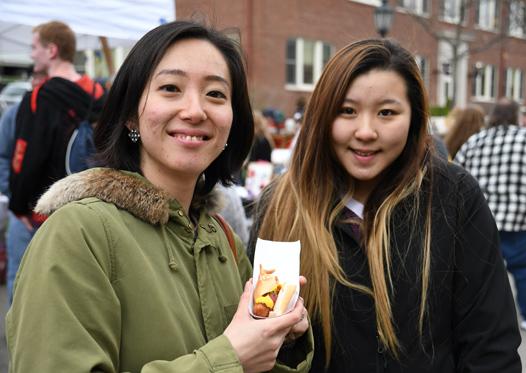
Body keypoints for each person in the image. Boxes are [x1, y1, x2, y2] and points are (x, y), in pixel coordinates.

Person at [7, 21, 312, 372]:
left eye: (216, 94)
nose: (195, 111)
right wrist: (228, 359)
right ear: (130, 117)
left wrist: (279, 339)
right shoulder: (77, 234)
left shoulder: (223, 239)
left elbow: (247, 359)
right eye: (170, 88)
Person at [248, 39, 521, 372]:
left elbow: (491, 346)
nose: (366, 131)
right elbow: (261, 345)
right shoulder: (281, 206)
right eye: (347, 111)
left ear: (414, 117)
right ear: (322, 116)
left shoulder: (455, 197)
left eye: (387, 113)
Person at [455, 98, 526, 333]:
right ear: (516, 116)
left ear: (492, 116)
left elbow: (459, 176)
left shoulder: (475, 141)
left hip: (481, 219)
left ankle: (476, 318)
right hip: (523, 219)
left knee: (479, 271)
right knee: (525, 270)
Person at [8, 21, 105, 249]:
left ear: (51, 51)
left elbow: (27, 155)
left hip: (47, 212)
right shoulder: (99, 93)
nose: (32, 55)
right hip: (92, 208)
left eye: (34, 48)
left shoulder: (39, 97)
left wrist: (19, 204)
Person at [0, 69, 47, 304]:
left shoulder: (63, 113)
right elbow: (3, 156)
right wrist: (14, 197)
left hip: (52, 214)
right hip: (22, 215)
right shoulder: (16, 114)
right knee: (17, 275)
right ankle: (15, 335)